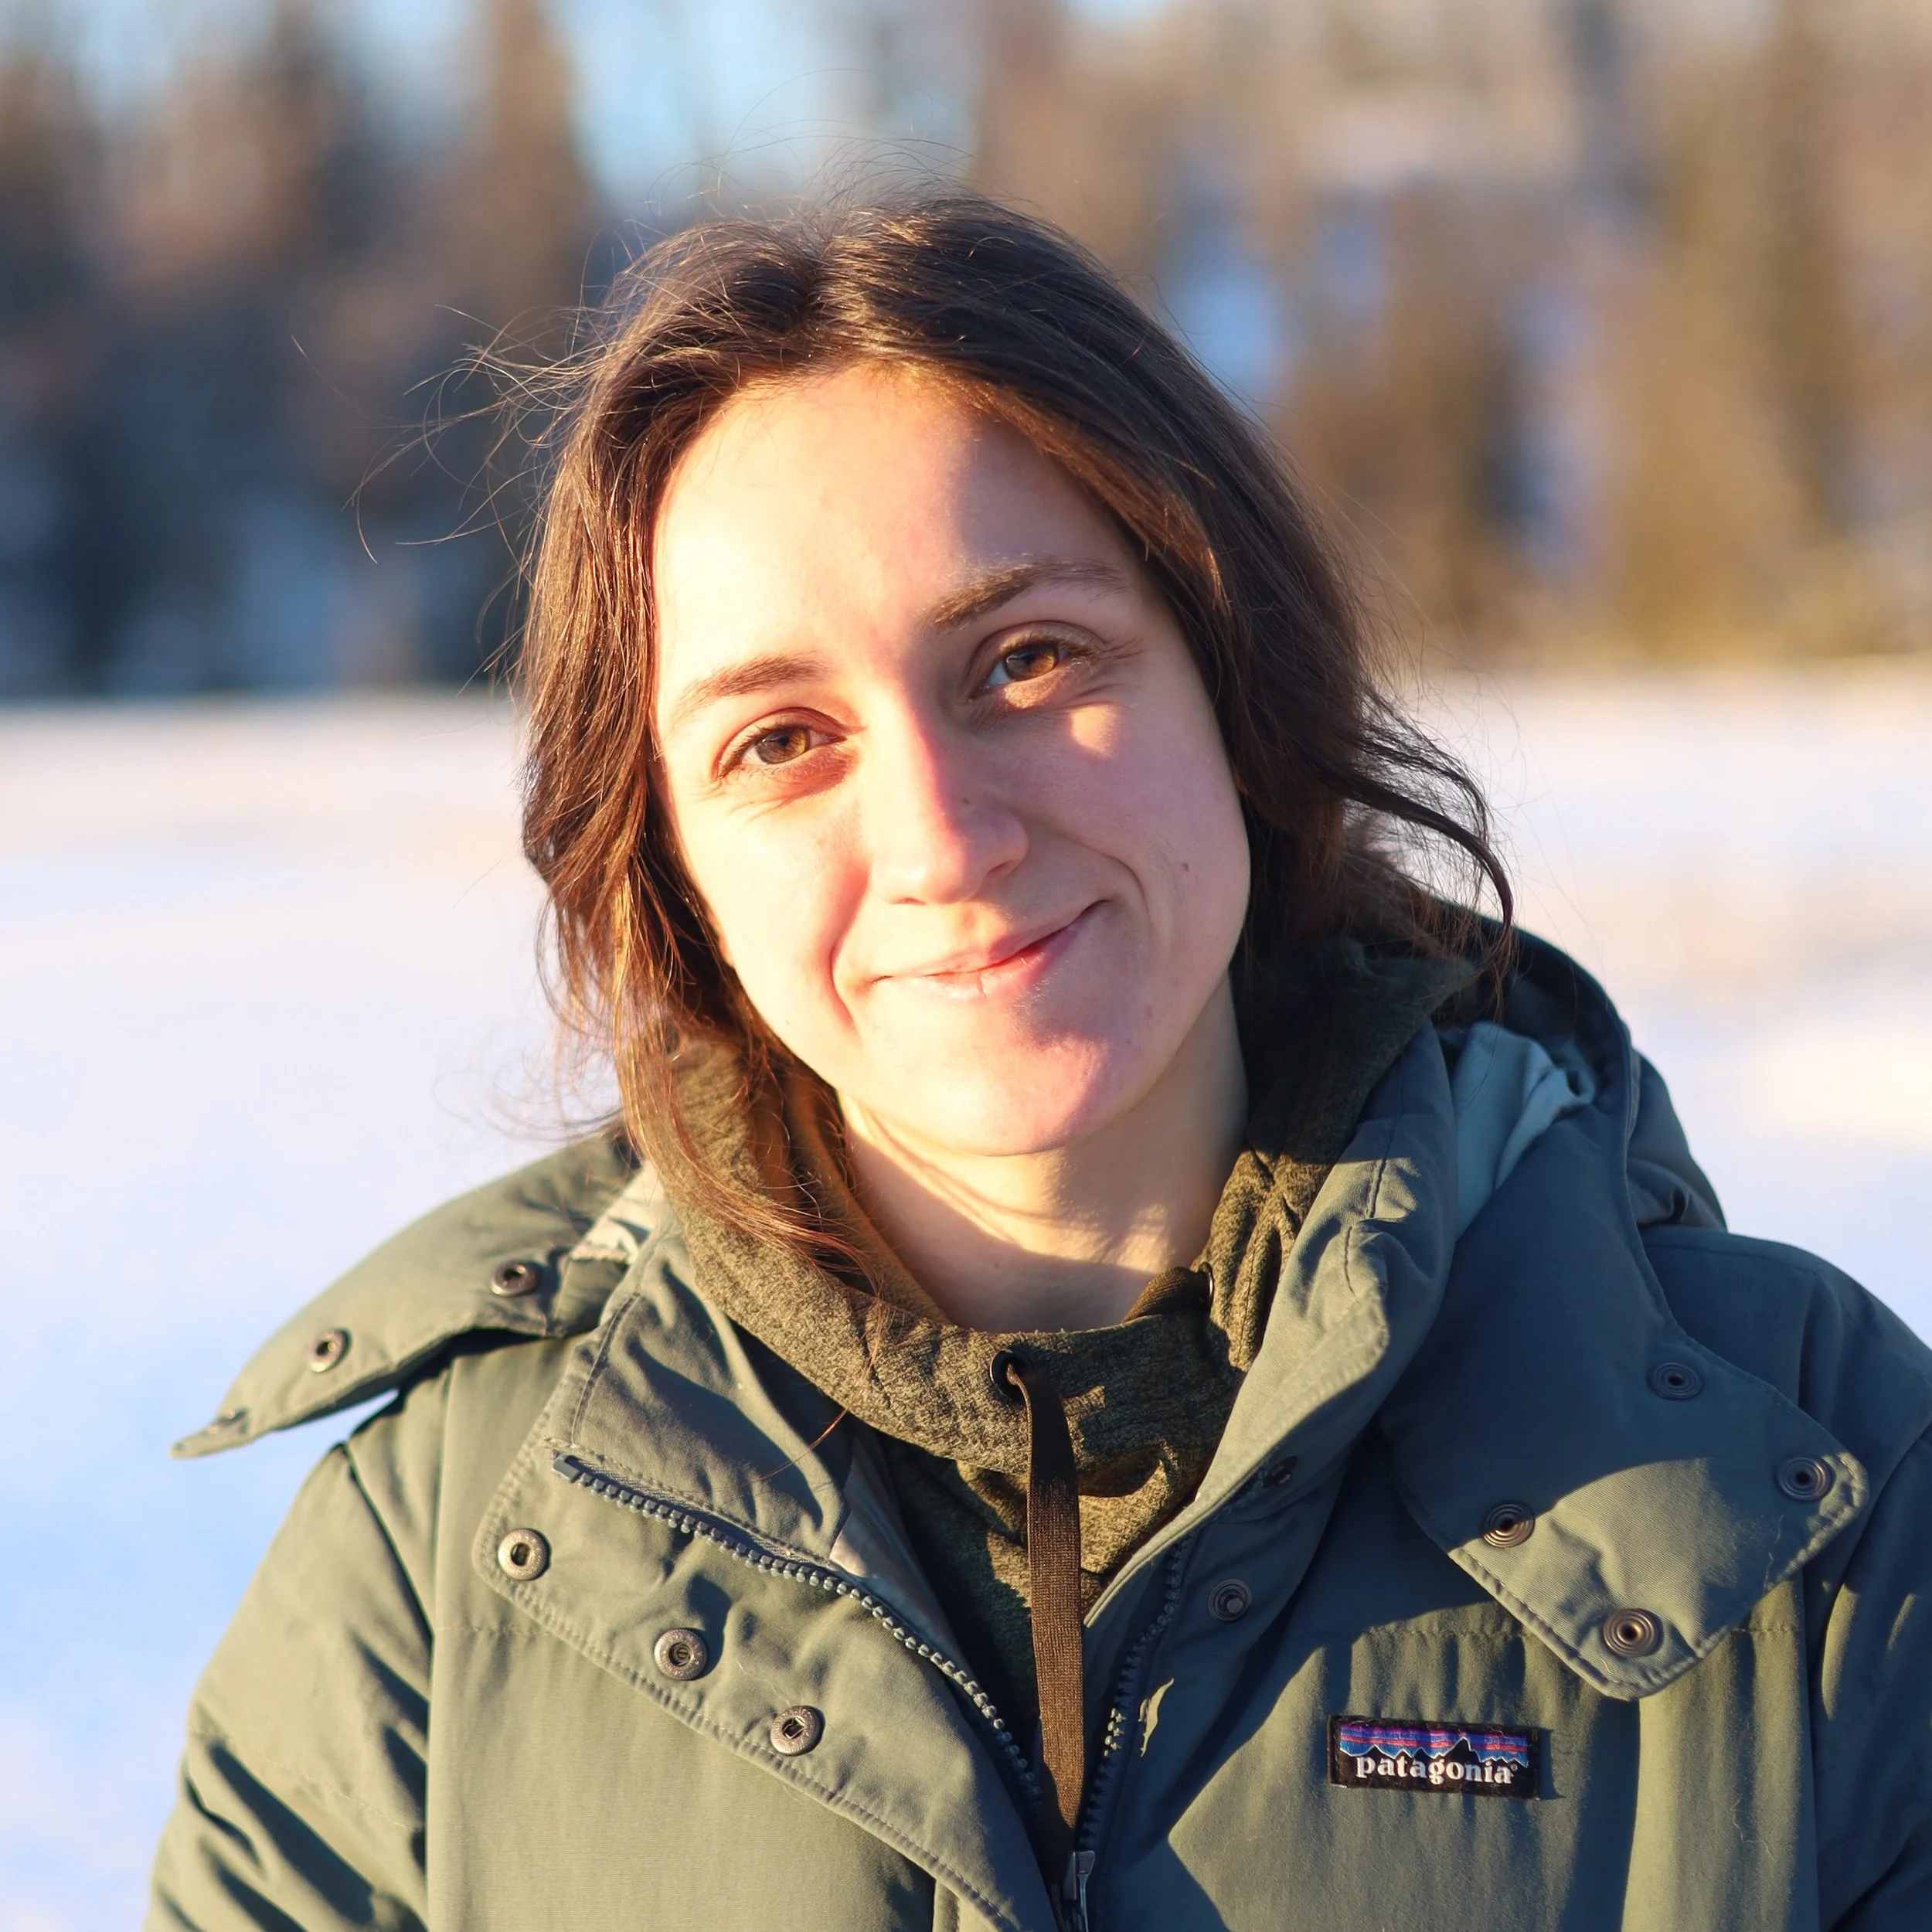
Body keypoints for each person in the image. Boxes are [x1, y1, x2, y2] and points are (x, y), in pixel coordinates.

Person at [149, 196, 1932, 1932]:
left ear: (1231, 683)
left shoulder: (1819, 1479)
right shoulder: (439, 1561)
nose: (939, 836)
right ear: (670, 866)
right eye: (781, 739)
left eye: (1025, 657)